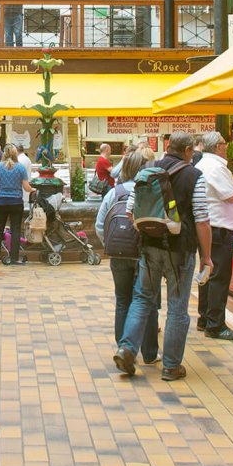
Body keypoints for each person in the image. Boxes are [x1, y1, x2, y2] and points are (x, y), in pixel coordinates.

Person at [114, 132, 212, 381]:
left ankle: (127, 349)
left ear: (168, 147)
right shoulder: (194, 176)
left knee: (142, 298)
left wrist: (149, 231)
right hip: (180, 250)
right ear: (189, 150)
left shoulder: (148, 170)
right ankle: (171, 366)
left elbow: (129, 211)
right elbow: (202, 220)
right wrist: (207, 257)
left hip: (149, 247)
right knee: (177, 307)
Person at [95, 150, 158, 364]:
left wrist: (110, 244)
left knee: (122, 300)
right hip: (144, 254)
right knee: (146, 301)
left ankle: (123, 346)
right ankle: (149, 353)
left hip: (118, 255)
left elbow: (99, 225)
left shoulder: (114, 192)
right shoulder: (149, 191)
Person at [195, 132, 233, 340]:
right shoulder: (215, 166)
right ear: (217, 147)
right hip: (218, 229)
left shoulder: (203, 165)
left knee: (207, 272)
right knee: (219, 277)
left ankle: (204, 317)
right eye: (224, 144)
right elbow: (230, 196)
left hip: (209, 228)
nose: (226, 147)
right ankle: (215, 325)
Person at [0, 145, 34, 265]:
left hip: (1, 202)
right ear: (16, 154)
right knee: (15, 230)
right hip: (16, 202)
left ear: (4, 154)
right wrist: (33, 189)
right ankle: (14, 258)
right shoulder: (20, 168)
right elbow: (26, 187)